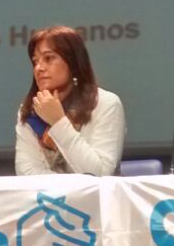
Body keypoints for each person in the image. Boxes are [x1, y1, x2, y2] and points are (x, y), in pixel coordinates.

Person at [15, 26, 124, 176]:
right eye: (35, 61)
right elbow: (27, 173)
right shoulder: (31, 110)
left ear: (73, 63)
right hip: (46, 192)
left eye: (49, 58)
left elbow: (101, 173)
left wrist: (58, 122)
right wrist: (69, 186)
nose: (39, 68)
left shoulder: (106, 104)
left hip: (94, 193)